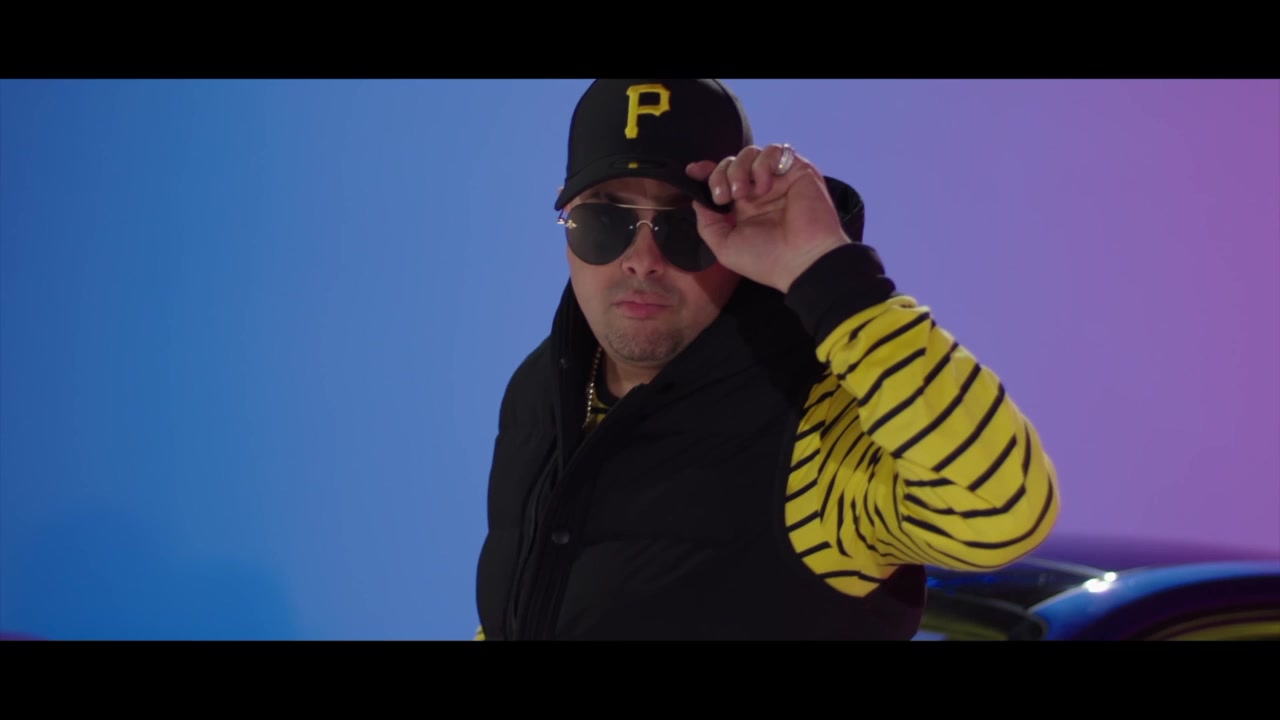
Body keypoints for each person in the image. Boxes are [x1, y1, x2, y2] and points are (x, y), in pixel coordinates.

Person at [472, 79, 1059, 640]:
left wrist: (824, 270)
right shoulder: (541, 391)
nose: (642, 259)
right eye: (605, 221)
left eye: (684, 226)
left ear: (733, 228)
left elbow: (1004, 510)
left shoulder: (812, 428)